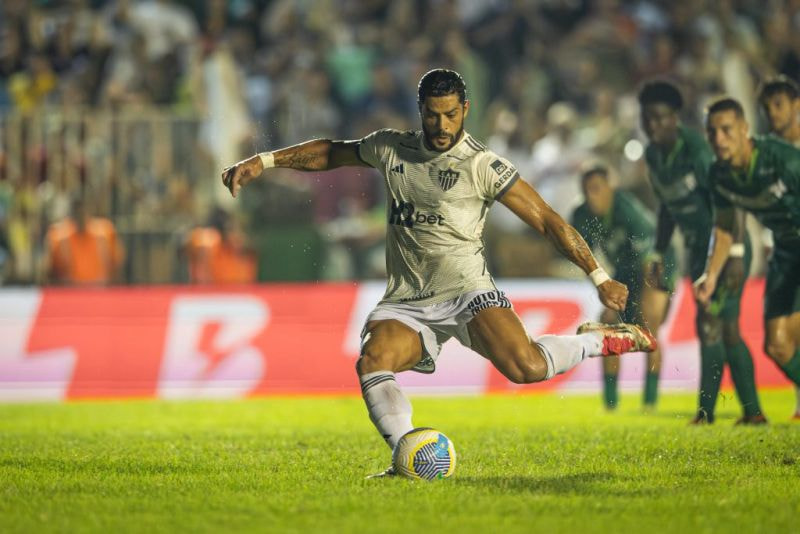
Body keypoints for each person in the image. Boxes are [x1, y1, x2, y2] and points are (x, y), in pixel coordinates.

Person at [222, 69, 656, 474]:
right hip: (407, 300)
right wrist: (265, 160)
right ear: (420, 111)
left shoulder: (482, 165)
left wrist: (598, 276)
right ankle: (407, 456)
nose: (442, 125)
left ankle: (595, 340)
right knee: (373, 360)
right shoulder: (391, 147)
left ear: (465, 109)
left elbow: (547, 220)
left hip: (468, 291)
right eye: (432, 115)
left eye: (451, 114)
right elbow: (332, 152)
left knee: (526, 367)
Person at [638, 81, 765, 424]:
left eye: (659, 118)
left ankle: (707, 414)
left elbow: (730, 197)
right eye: (647, 118)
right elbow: (667, 208)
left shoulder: (697, 150)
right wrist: (657, 251)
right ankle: (752, 414)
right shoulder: (653, 156)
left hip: (727, 247)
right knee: (723, 329)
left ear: (675, 118)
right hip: (698, 252)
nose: (652, 125)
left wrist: (735, 251)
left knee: (712, 323)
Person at [696, 97, 800, 419]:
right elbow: (725, 229)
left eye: (726, 130)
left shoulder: (783, 160)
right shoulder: (719, 175)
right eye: (712, 132)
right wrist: (711, 275)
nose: (719, 139)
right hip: (786, 253)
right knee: (777, 346)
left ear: (745, 129)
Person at [571, 164, 677, 411]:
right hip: (625, 270)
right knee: (608, 323)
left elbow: (648, 261)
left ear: (611, 188)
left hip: (657, 266)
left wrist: (642, 302)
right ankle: (611, 405)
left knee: (648, 326)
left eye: (596, 189)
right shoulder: (581, 216)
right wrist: (603, 287)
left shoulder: (627, 210)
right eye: (586, 191)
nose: (591, 196)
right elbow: (581, 257)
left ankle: (649, 402)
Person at [758, 76, 800, 418]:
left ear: (797, 106)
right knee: (776, 344)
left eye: (779, 105)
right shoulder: (766, 155)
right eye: (767, 107)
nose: (773, 113)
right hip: (784, 253)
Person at [44, 197, 124, 286]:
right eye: (78, 212)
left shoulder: (104, 232)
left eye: (83, 211)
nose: (81, 216)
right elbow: (50, 270)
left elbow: (117, 264)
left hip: (101, 288)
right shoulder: (59, 236)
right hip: (70, 290)